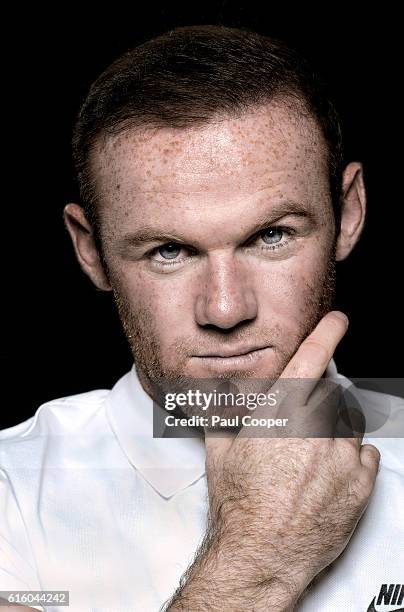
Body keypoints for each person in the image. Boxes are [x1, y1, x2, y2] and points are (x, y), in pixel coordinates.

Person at [0, 25, 403, 612]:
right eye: (169, 251)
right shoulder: (9, 491)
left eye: (271, 236)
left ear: (348, 214)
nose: (225, 309)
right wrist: (260, 557)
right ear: (91, 250)